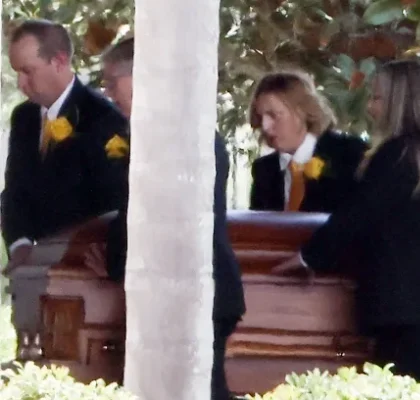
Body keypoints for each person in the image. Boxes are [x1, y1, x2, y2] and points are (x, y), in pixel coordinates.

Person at [273, 60, 420, 400]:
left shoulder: (397, 154)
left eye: (378, 97)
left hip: (414, 308)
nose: (370, 106)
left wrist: (308, 257)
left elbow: (358, 215)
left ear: (400, 102)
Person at [85, 37, 246, 400]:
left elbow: (164, 216)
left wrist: (117, 261)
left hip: (196, 289)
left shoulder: (183, 134)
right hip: (174, 291)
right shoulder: (162, 132)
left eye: (113, 81)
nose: (108, 93)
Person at [1, 19, 128, 273]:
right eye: (16, 73)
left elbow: (114, 202)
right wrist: (20, 245)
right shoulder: (24, 117)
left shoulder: (104, 117)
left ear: (59, 61)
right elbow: (15, 191)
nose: (21, 83)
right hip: (32, 271)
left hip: (85, 269)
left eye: (28, 71)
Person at [248, 71, 368, 212]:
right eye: (260, 117)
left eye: (273, 115)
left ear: (303, 111)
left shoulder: (350, 155)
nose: (265, 126)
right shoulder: (264, 170)